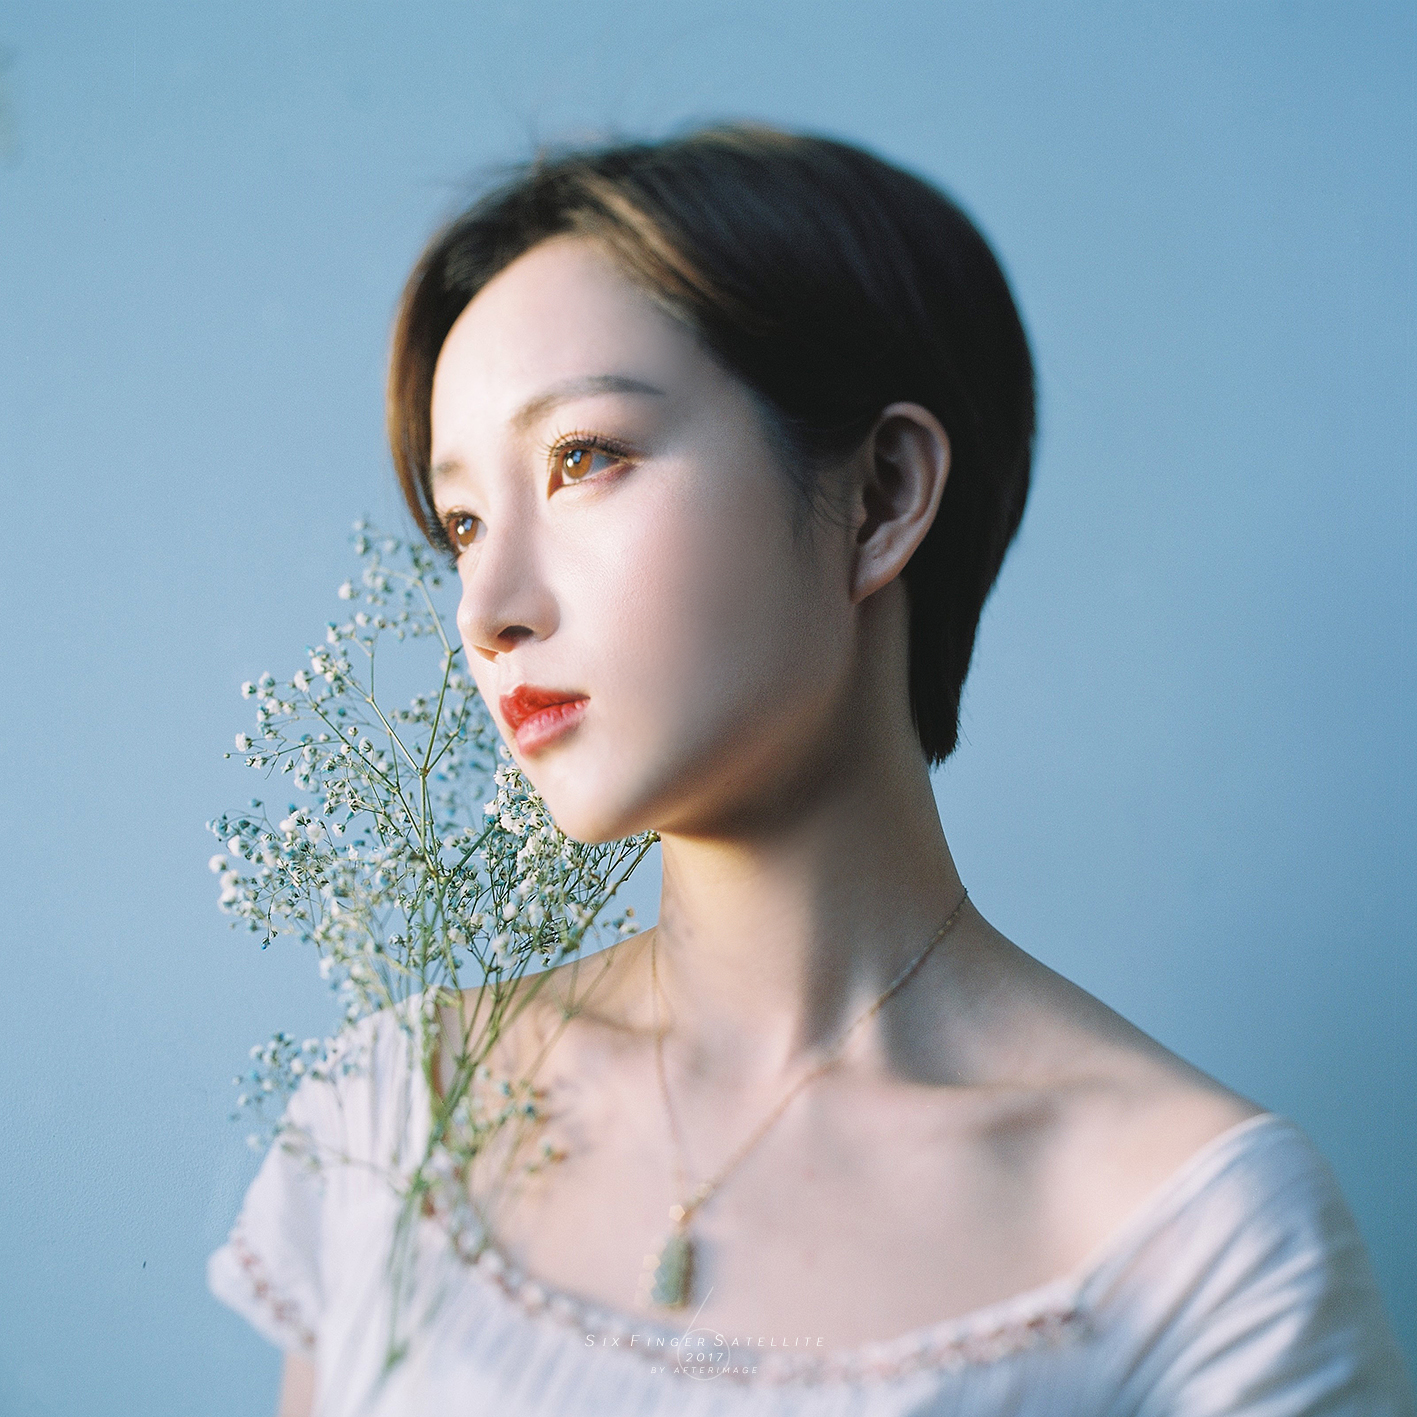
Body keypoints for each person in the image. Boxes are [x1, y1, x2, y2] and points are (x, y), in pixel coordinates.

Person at [209, 124, 1414, 1416]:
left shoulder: (1198, 1251)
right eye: (462, 522)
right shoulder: (403, 1112)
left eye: (583, 457)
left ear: (881, 494)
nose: (487, 608)